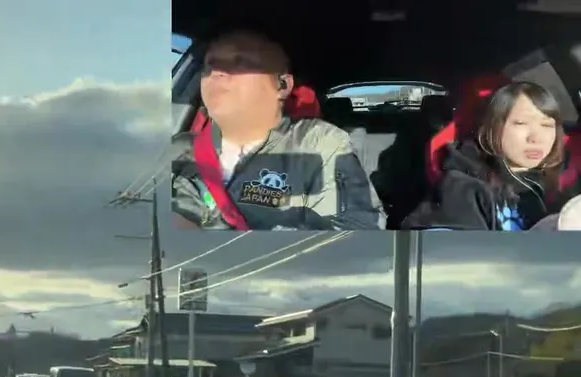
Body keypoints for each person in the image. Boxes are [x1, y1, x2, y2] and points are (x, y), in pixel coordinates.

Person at [170, 29, 385, 231]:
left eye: (240, 63)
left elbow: (357, 232)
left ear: (282, 85)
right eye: (210, 65)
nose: (217, 72)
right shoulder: (179, 147)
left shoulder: (319, 143)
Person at [404, 80, 578, 231]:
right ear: (492, 128)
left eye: (547, 126)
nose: (536, 138)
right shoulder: (464, 189)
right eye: (521, 123)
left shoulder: (557, 183)